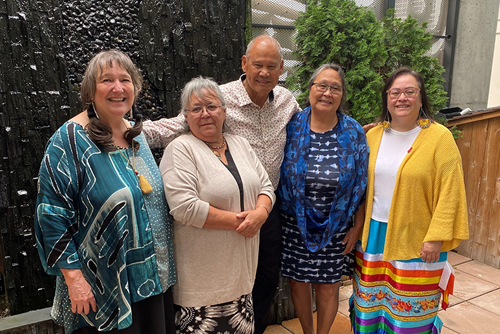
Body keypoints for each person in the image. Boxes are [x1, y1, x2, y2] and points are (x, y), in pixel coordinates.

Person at [143, 35, 300, 333]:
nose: (264, 72)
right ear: (244, 64)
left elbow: (308, 127)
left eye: (271, 66)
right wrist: (129, 131)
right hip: (224, 216)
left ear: (280, 69)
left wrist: (350, 129)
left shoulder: (286, 100)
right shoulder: (218, 98)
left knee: (266, 278)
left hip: (265, 207)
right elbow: (177, 125)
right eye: (257, 64)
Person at [34, 50, 176, 334]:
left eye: (125, 80)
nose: (118, 88)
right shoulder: (69, 140)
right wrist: (74, 279)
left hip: (151, 279)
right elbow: (50, 214)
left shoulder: (134, 133)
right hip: (102, 289)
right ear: (90, 90)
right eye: (107, 80)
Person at [349, 67, 469, 334]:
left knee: (409, 312)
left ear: (421, 97)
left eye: (409, 91)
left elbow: (451, 191)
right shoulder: (373, 136)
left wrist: (436, 236)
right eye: (395, 92)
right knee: (371, 306)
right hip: (374, 235)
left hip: (418, 238)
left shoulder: (439, 138)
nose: (402, 98)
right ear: (387, 98)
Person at [159, 76, 275, 334]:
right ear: (185, 117)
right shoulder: (179, 150)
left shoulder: (241, 144)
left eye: (211, 107)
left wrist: (261, 212)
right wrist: (245, 222)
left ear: (224, 111)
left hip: (242, 278)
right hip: (202, 284)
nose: (205, 114)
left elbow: (266, 187)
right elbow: (184, 207)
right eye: (196, 109)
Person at [279, 63, 368, 334]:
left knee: (328, 287)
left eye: (335, 88)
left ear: (342, 95)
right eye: (322, 86)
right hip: (294, 224)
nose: (327, 93)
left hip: (337, 226)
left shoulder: (354, 132)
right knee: (298, 283)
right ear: (310, 89)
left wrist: (357, 226)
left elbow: (362, 185)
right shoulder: (292, 125)